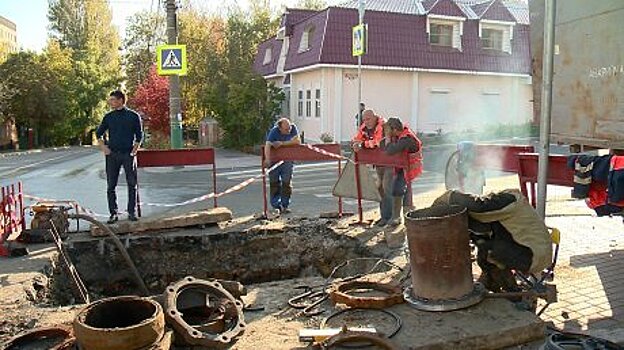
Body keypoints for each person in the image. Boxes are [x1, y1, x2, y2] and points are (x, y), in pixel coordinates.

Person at [431, 189, 553, 292]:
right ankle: (496, 285)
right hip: (526, 249)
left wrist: (450, 197)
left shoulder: (510, 201)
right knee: (483, 244)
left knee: (489, 253)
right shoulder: (504, 212)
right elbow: (481, 224)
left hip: (533, 254)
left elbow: (480, 206)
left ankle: (512, 294)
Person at [95, 90, 143, 224]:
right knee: (111, 185)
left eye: (113, 100)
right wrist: (104, 148)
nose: (110, 102)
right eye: (110, 100)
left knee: (131, 184)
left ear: (121, 100)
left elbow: (140, 136)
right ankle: (113, 213)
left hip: (128, 153)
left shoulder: (133, 116)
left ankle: (131, 212)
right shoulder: (108, 117)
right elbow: (98, 133)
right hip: (112, 154)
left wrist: (134, 150)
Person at [351, 110, 391, 226]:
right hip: (379, 163)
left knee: (386, 188)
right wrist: (355, 144)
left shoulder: (383, 125)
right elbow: (357, 139)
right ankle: (384, 216)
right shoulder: (364, 126)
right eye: (364, 120)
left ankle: (389, 218)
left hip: (391, 162)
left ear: (374, 117)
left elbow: (379, 142)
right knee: (380, 189)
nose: (366, 122)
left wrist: (362, 145)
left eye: (368, 119)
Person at [384, 117, 423, 226]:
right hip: (404, 166)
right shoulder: (401, 134)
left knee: (397, 189)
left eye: (389, 130)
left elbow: (390, 150)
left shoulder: (406, 139)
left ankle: (398, 217)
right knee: (402, 190)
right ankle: (406, 215)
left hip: (410, 167)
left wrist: (387, 137)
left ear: (395, 130)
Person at [264, 118, 301, 214]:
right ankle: (276, 205)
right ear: (279, 128)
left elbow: (297, 141)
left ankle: (285, 205)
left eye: (289, 128)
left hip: (288, 160)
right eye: (286, 129)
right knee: (274, 183)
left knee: (286, 183)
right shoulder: (274, 131)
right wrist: (268, 159)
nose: (289, 131)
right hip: (275, 161)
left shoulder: (293, 128)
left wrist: (282, 144)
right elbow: (268, 145)